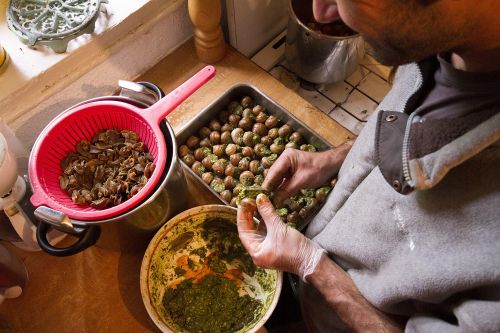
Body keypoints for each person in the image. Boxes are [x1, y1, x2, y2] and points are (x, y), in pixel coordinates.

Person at [237, 0, 500, 332]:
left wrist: (312, 264)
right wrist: (337, 158)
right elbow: (413, 124)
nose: (321, 13)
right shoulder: (438, 37)